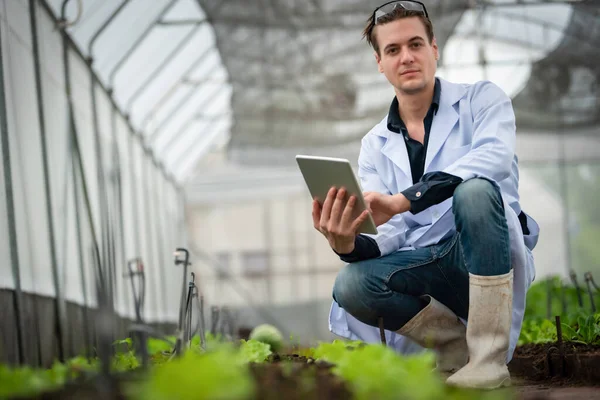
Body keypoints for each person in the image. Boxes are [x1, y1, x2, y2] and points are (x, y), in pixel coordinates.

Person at [311, 0, 540, 390]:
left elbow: (493, 159)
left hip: (480, 256)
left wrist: (405, 198)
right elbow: (391, 232)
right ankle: (453, 351)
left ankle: (487, 359)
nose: (407, 57)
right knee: (350, 283)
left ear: (434, 49)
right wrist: (348, 243)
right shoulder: (374, 144)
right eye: (393, 50)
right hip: (423, 265)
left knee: (475, 192)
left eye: (416, 44)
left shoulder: (482, 100)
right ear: (379, 63)